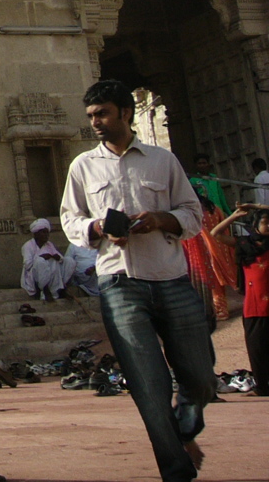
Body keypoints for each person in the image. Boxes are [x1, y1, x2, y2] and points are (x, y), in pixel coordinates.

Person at [60, 79, 214, 482]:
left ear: (126, 113)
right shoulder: (83, 166)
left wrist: (160, 220)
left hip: (170, 276)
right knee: (148, 385)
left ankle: (187, 421)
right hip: (119, 283)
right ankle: (176, 470)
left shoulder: (162, 161)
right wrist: (97, 226)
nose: (96, 122)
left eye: (103, 113)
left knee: (199, 375)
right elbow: (70, 220)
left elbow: (193, 215)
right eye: (91, 116)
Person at [211, 203, 269, 396]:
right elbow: (215, 233)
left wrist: (256, 205)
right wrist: (235, 216)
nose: (268, 226)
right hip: (253, 306)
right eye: (265, 222)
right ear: (255, 225)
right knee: (256, 350)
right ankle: (262, 387)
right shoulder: (245, 244)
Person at [181, 195, 238, 324]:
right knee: (216, 280)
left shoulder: (192, 212)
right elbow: (224, 228)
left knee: (211, 280)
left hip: (202, 250)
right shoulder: (214, 208)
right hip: (218, 246)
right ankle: (220, 308)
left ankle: (220, 310)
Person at [20, 218, 75, 301]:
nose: (46, 235)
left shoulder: (49, 245)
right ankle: (45, 290)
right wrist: (41, 257)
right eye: (43, 232)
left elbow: (60, 258)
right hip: (34, 275)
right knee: (40, 261)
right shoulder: (28, 246)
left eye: (47, 233)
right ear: (36, 234)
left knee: (69, 261)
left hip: (51, 273)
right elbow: (27, 265)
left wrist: (57, 257)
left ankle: (60, 289)